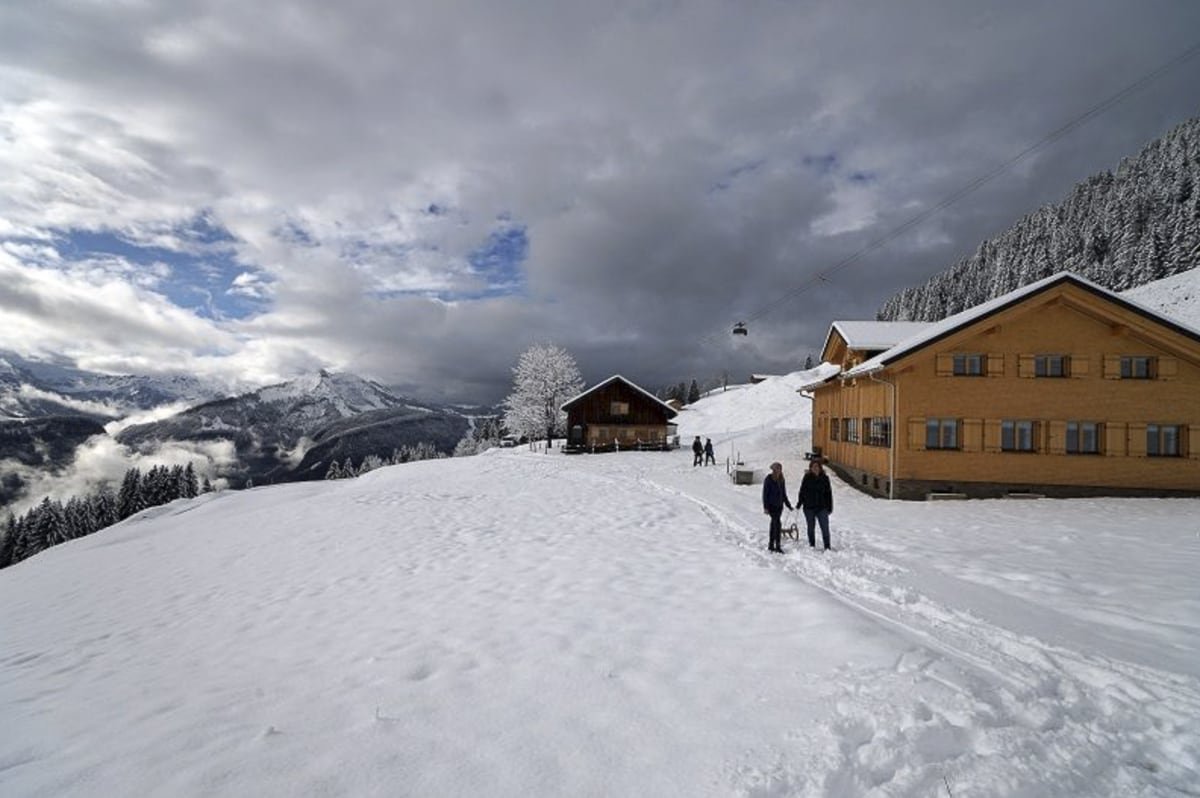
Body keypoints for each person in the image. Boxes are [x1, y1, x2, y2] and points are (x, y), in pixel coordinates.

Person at [797, 458, 834, 550]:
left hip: (822, 507)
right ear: (810, 468)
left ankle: (827, 546)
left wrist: (829, 507)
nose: (815, 468)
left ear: (820, 468)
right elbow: (802, 491)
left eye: (817, 466)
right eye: (813, 467)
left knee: (825, 528)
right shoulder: (806, 478)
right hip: (809, 507)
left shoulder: (825, 478)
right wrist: (799, 503)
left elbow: (828, 493)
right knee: (810, 527)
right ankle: (812, 545)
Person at [761, 461, 793, 553]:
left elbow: (784, 494)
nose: (778, 471)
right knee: (777, 524)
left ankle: (771, 544)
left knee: (774, 525)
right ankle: (777, 546)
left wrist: (788, 505)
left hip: (779, 506)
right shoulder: (769, 479)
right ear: (773, 470)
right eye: (777, 469)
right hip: (771, 506)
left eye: (779, 469)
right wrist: (766, 507)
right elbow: (765, 494)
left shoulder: (781, 480)